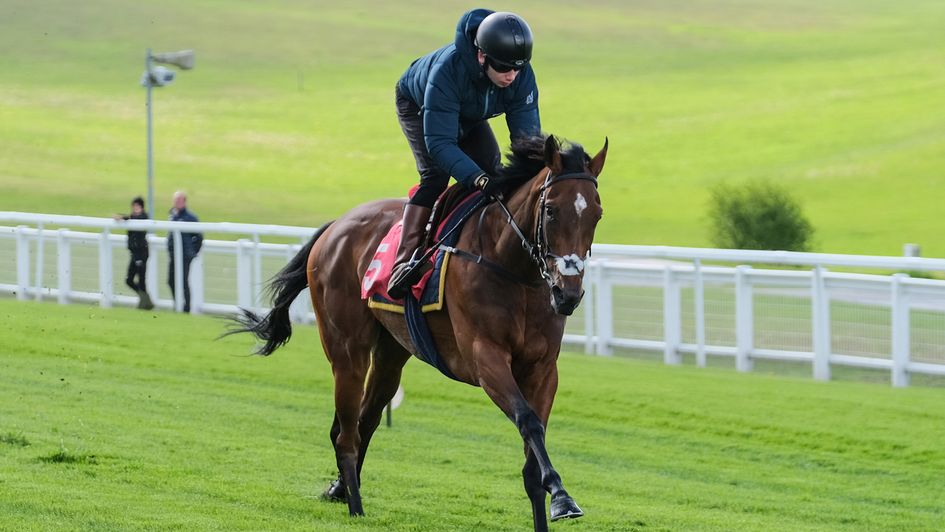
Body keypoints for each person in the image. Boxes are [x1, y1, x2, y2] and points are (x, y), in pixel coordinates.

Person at [387, 8, 541, 299]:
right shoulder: (448, 70)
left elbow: (527, 142)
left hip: (467, 111)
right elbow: (440, 144)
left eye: (517, 69)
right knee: (436, 175)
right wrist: (477, 178)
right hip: (419, 104)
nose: (512, 76)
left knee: (493, 169)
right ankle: (404, 260)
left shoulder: (520, 76)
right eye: (505, 68)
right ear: (482, 57)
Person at [114, 196, 154, 310]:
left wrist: (123, 217)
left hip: (141, 253)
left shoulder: (143, 217)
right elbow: (130, 217)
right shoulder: (132, 218)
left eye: (137, 206)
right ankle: (146, 300)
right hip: (135, 253)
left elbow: (138, 218)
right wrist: (121, 217)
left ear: (141, 207)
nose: (135, 208)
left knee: (141, 280)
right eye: (134, 206)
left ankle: (145, 303)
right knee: (129, 280)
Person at [167, 190, 203, 313]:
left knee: (183, 281)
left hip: (184, 256)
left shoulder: (190, 217)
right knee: (171, 281)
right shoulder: (172, 214)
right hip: (173, 255)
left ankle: (186, 308)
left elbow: (199, 237)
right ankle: (177, 304)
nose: (176, 202)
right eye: (175, 200)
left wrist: (192, 252)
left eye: (178, 200)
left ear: (184, 201)